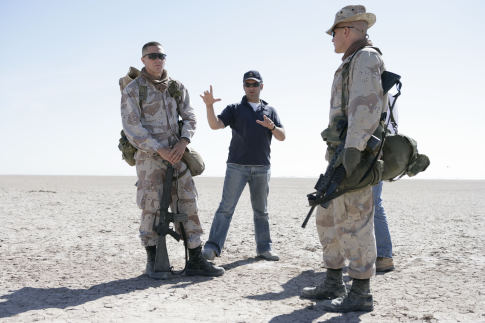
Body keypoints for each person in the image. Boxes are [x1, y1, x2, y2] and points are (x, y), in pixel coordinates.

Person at [301, 6, 387, 312]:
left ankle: (360, 293)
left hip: (355, 155)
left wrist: (352, 152)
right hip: (340, 154)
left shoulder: (365, 58)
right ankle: (333, 281)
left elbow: (366, 106)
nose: (332, 38)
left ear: (348, 30)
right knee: (328, 217)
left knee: (356, 223)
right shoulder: (350, 62)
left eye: (334, 32)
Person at [120, 41, 224, 279]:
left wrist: (182, 142)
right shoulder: (134, 90)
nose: (158, 59)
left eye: (162, 55)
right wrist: (159, 149)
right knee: (151, 207)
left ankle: (195, 259)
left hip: (178, 156)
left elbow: (189, 116)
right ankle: (154, 261)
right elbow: (132, 126)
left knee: (188, 203)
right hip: (149, 159)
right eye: (153, 56)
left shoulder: (176, 87)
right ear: (143, 60)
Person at [199, 71, 286, 262]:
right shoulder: (235, 108)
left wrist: (272, 127)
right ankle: (212, 248)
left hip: (262, 168)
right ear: (243, 87)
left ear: (261, 86)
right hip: (236, 166)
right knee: (226, 208)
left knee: (261, 210)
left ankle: (264, 249)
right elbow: (215, 125)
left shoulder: (270, 110)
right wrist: (209, 107)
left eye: (254, 84)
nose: (251, 87)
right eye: (247, 84)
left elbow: (282, 136)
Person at [374, 94, 398, 272]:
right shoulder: (389, 97)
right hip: (380, 157)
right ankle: (383, 256)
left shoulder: (377, 95)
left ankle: (383, 255)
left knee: (372, 205)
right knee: (374, 205)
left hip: (371, 156)